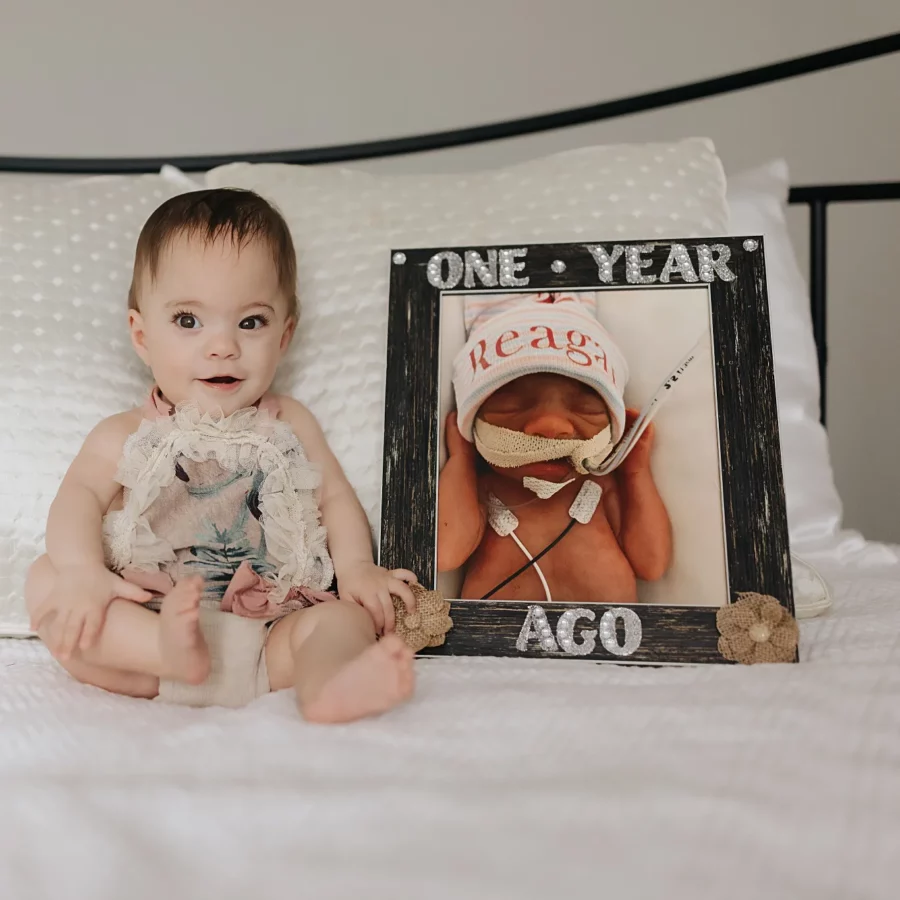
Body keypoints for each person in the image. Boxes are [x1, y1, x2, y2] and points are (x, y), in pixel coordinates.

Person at [25, 188, 418, 724]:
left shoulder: (290, 424)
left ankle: (330, 683)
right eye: (189, 321)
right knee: (47, 582)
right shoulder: (125, 434)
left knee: (343, 621)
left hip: (267, 638)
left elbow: (334, 498)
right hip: (148, 636)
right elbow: (76, 499)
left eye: (250, 322)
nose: (222, 346)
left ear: (285, 335)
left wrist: (355, 568)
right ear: (142, 335)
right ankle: (166, 649)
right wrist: (79, 570)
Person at [438, 292, 672, 604]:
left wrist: (635, 471)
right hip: (498, 645)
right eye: (513, 405)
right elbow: (445, 553)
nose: (551, 427)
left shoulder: (600, 486)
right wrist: (462, 462)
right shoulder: (484, 488)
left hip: (607, 643)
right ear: (473, 423)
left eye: (584, 407)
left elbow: (652, 564)